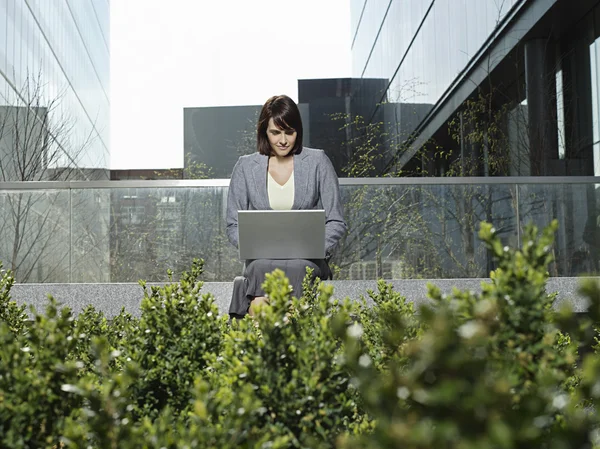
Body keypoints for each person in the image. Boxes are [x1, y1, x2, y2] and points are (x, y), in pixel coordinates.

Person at [226, 94, 347, 318]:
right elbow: (233, 225)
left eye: (289, 132)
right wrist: (250, 246)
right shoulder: (245, 166)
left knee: (299, 268)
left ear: (298, 131)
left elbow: (336, 221)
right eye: (275, 132)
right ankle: (265, 343)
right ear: (265, 132)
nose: (283, 140)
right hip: (261, 260)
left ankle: (287, 342)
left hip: (307, 259)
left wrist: (316, 246)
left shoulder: (318, 161)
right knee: (259, 268)